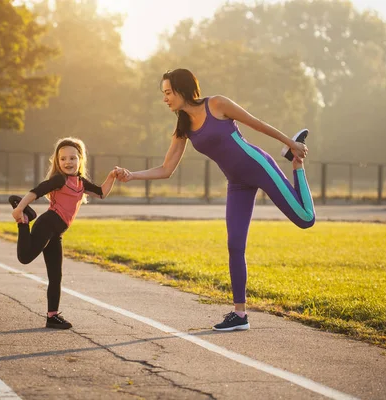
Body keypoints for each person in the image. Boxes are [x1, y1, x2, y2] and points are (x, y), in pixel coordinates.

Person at [114, 68, 315, 331]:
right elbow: (166, 169)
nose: (165, 99)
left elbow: (257, 124)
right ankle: (240, 315)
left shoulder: (216, 104)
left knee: (305, 220)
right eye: (163, 94)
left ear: (182, 89)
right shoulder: (182, 128)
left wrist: (291, 143)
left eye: (167, 93)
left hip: (258, 165)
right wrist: (132, 176)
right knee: (234, 245)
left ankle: (297, 165)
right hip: (237, 184)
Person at [9, 137, 117, 330]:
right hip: (47, 224)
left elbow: (101, 193)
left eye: (72, 158)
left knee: (56, 275)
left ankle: (52, 316)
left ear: (80, 160)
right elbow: (36, 191)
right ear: (57, 162)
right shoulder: (59, 179)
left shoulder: (81, 183)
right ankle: (24, 221)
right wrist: (20, 208)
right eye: (63, 159)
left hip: (56, 233)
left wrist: (112, 176)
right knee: (24, 258)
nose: (68, 162)